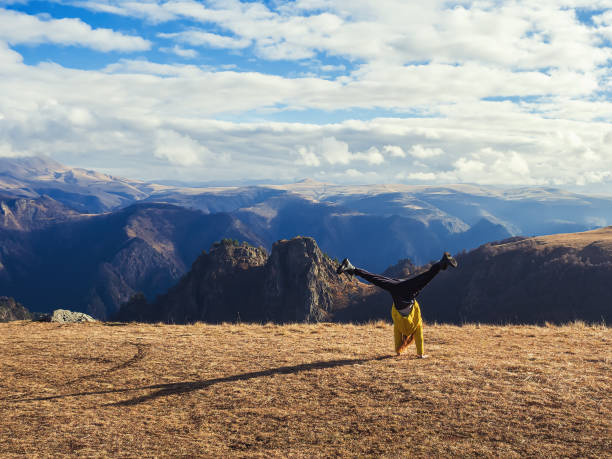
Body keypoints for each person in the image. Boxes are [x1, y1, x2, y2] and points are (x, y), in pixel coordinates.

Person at [336, 252, 457, 358]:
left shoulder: (414, 327)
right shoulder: (400, 327)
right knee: (376, 279)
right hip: (399, 293)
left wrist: (420, 353)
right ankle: (352, 268)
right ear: (405, 338)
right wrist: (399, 352)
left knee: (424, 278)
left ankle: (351, 268)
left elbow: (418, 336)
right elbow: (397, 337)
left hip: (407, 293)